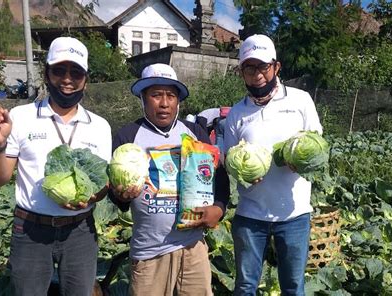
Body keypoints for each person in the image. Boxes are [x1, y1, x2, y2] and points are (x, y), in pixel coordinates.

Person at [0, 36, 111, 295]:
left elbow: (103, 184)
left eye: (76, 72)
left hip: (80, 231)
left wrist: (89, 198)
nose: (67, 79)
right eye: (59, 70)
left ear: (86, 79)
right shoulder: (20, 117)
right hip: (31, 230)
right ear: (46, 74)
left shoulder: (100, 126)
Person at [108, 63, 230, 295]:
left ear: (178, 101)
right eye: (156, 95)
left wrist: (220, 208)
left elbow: (219, 177)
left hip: (193, 246)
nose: (164, 103)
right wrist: (120, 194)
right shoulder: (127, 135)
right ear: (143, 99)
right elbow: (120, 199)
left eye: (170, 96)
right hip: (149, 251)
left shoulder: (195, 132)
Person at [223, 34, 323, 295]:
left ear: (276, 67)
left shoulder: (300, 101)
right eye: (249, 67)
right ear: (241, 72)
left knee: (293, 286)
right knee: (245, 286)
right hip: (250, 214)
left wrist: (300, 161)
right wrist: (242, 173)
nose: (257, 74)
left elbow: (316, 144)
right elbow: (228, 158)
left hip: (294, 214)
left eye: (263, 67)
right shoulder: (236, 113)